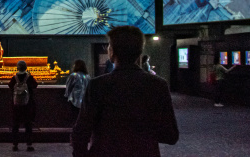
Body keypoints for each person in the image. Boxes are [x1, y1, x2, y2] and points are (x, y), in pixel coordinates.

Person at [72, 26, 179, 157]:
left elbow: (81, 132)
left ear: (112, 52)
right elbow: (171, 136)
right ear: (139, 52)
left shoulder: (97, 86)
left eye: (109, 46)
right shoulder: (158, 85)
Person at [8, 60, 38, 152]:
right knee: (28, 125)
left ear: (17, 67)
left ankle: (15, 145)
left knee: (15, 125)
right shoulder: (29, 77)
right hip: (27, 105)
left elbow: (10, 86)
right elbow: (35, 85)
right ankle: (29, 145)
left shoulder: (14, 77)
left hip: (16, 105)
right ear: (26, 67)